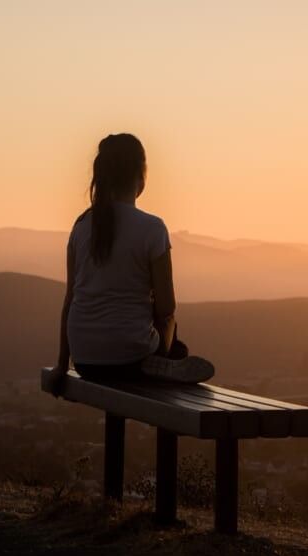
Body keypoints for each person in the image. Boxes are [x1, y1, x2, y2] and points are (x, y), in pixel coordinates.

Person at [46, 133, 214, 396]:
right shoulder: (152, 229)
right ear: (140, 176)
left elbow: (70, 300)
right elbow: (167, 307)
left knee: (155, 333)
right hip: (131, 357)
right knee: (173, 331)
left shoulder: (81, 226)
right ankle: (167, 361)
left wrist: (61, 365)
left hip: (85, 361)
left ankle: (163, 360)